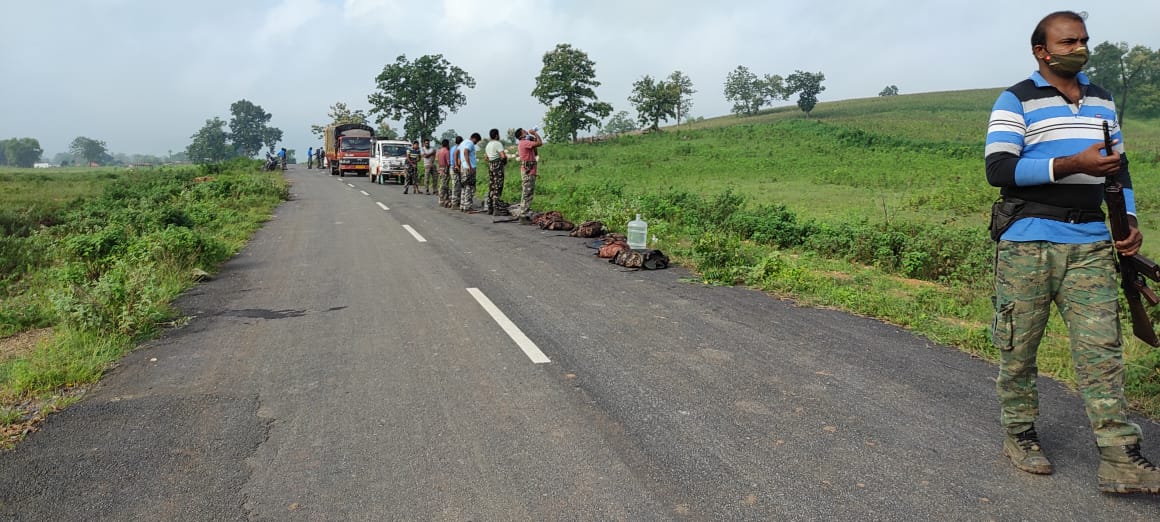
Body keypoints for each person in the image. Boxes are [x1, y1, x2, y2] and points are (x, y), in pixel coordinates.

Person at [985, 10, 1159, 494]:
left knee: (1103, 351)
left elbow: (1117, 169)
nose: (1078, 47)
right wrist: (1070, 164)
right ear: (1042, 51)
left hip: (1091, 243)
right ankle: (1019, 433)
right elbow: (998, 170)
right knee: (1019, 348)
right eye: (1067, 42)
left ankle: (1121, 457)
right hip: (1027, 241)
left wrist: (1130, 221)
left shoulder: (1102, 99)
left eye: (1082, 39)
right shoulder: (1015, 100)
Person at [515, 127, 543, 223]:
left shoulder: (525, 143)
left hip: (529, 170)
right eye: (524, 131)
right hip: (529, 171)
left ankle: (524, 213)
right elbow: (540, 143)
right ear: (521, 135)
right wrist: (534, 133)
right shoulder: (524, 142)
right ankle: (523, 216)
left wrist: (532, 138)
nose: (526, 131)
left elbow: (535, 151)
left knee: (527, 193)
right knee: (527, 193)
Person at [484, 129, 507, 215]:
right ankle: (496, 208)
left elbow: (486, 158)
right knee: (498, 186)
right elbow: (503, 156)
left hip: (490, 165)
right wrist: (504, 161)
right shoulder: (498, 143)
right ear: (497, 135)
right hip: (497, 165)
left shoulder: (488, 145)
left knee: (492, 186)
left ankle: (490, 208)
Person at [459, 133, 480, 212]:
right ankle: (468, 207)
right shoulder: (470, 143)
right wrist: (470, 166)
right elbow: (465, 152)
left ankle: (462, 205)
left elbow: (457, 153)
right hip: (469, 168)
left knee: (464, 187)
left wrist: (459, 164)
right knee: (470, 187)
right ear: (474, 138)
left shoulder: (463, 143)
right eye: (477, 141)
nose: (476, 143)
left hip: (463, 167)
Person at [436, 139, 451, 207]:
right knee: (444, 186)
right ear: (447, 144)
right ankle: (443, 200)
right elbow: (448, 163)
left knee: (442, 184)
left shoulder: (439, 151)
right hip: (445, 170)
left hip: (440, 169)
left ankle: (442, 199)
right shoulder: (446, 152)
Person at [449, 136, 463, 209]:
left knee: (454, 185)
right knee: (456, 186)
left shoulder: (452, 148)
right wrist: (458, 166)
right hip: (456, 167)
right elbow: (458, 159)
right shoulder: (459, 149)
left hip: (451, 167)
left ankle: (454, 202)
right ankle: (454, 203)